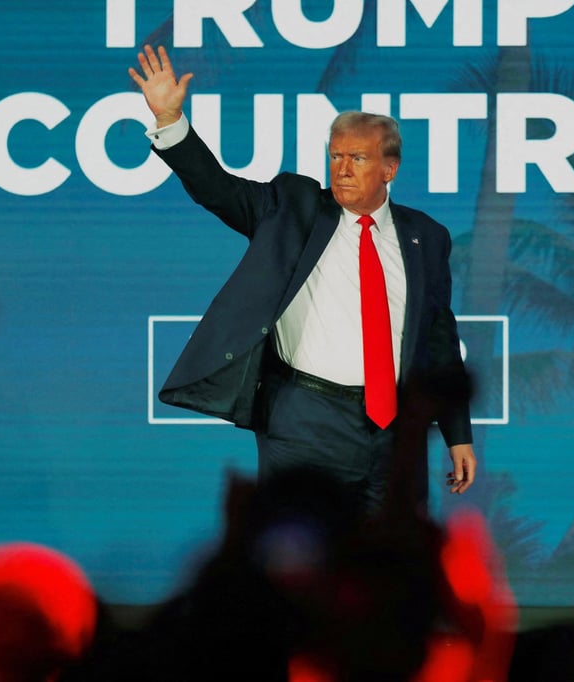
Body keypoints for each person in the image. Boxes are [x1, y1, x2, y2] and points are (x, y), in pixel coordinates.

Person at [129, 45, 476, 513]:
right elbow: (218, 188)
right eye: (336, 156)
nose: (343, 168)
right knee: (300, 560)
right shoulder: (293, 208)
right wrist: (171, 120)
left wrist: (457, 435)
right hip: (304, 418)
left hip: (396, 430)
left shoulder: (427, 237)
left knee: (390, 566)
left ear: (389, 169)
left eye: (358, 158)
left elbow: (439, 343)